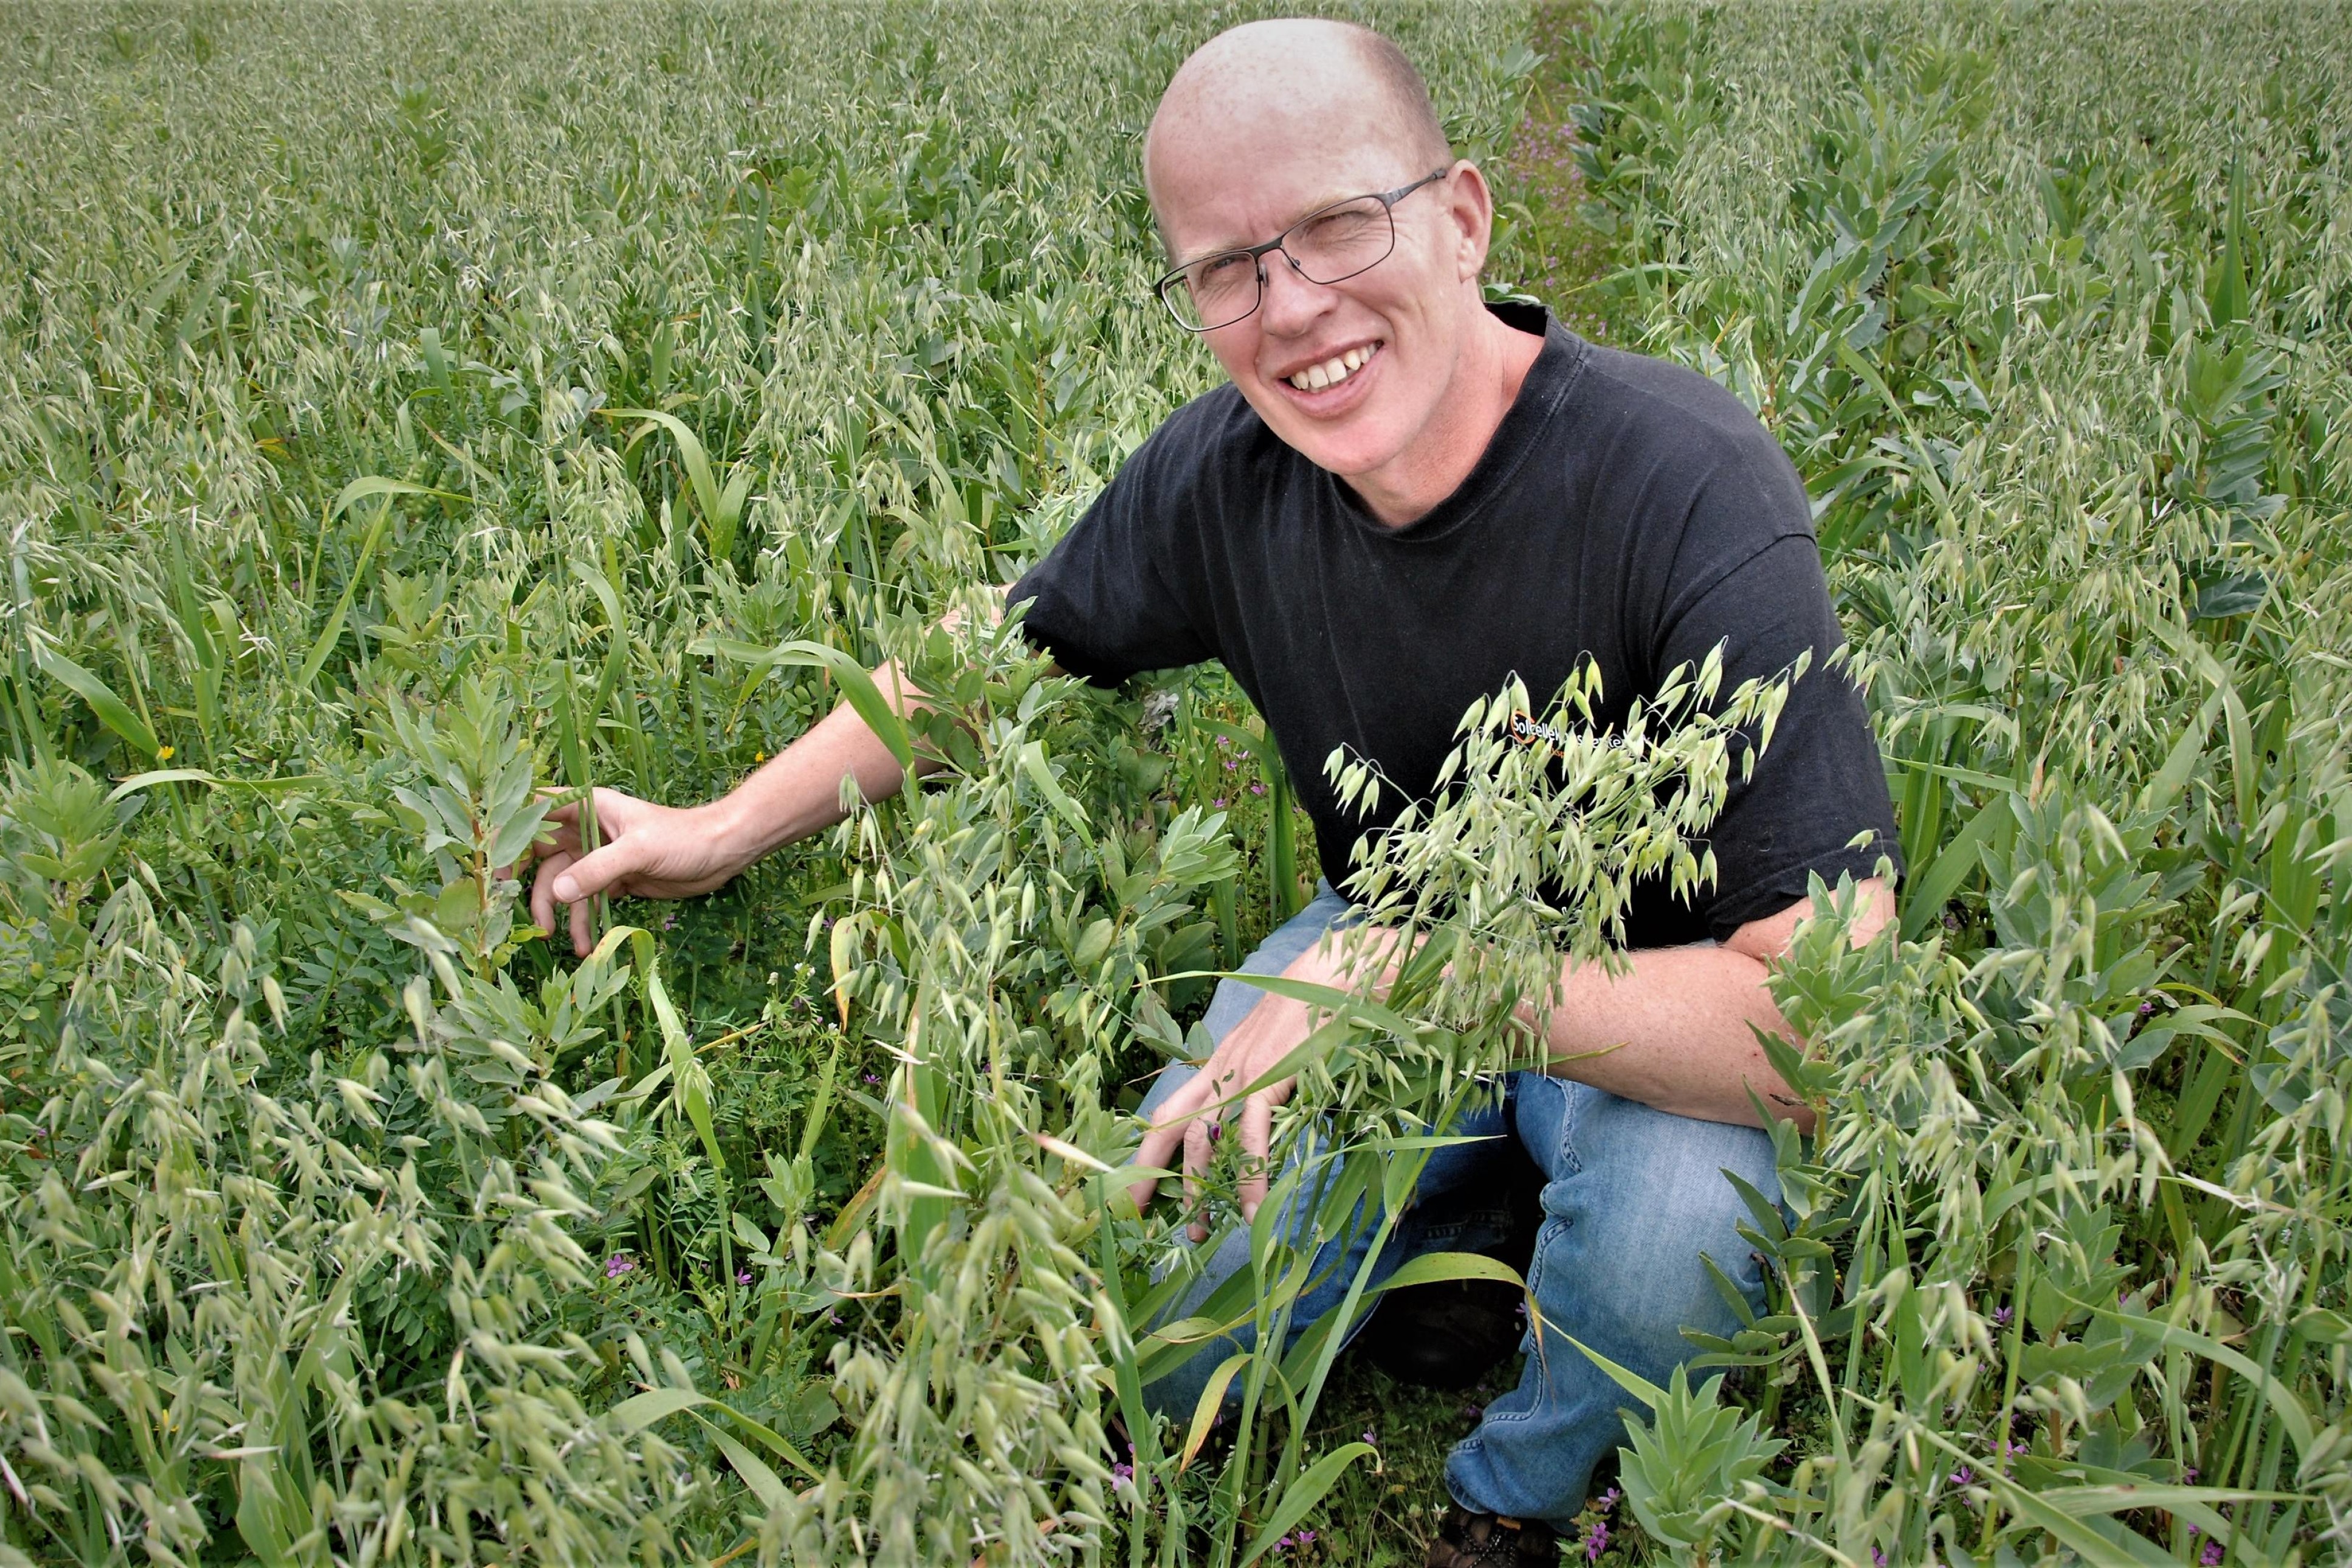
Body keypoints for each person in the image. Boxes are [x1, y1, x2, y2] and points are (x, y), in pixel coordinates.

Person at [526, 19, 1901, 1564]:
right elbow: (993, 663)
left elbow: (1819, 1027)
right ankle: (1462, 1236)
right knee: (1152, 1330)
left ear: (1462, 218)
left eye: (1337, 226)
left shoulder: (1692, 489)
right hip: (1372, 959)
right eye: (1226, 266)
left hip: (1652, 1018)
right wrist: (715, 832)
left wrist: (1430, 971)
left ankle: (1510, 1497)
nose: (1290, 307)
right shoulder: (1229, 475)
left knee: (1677, 1240)